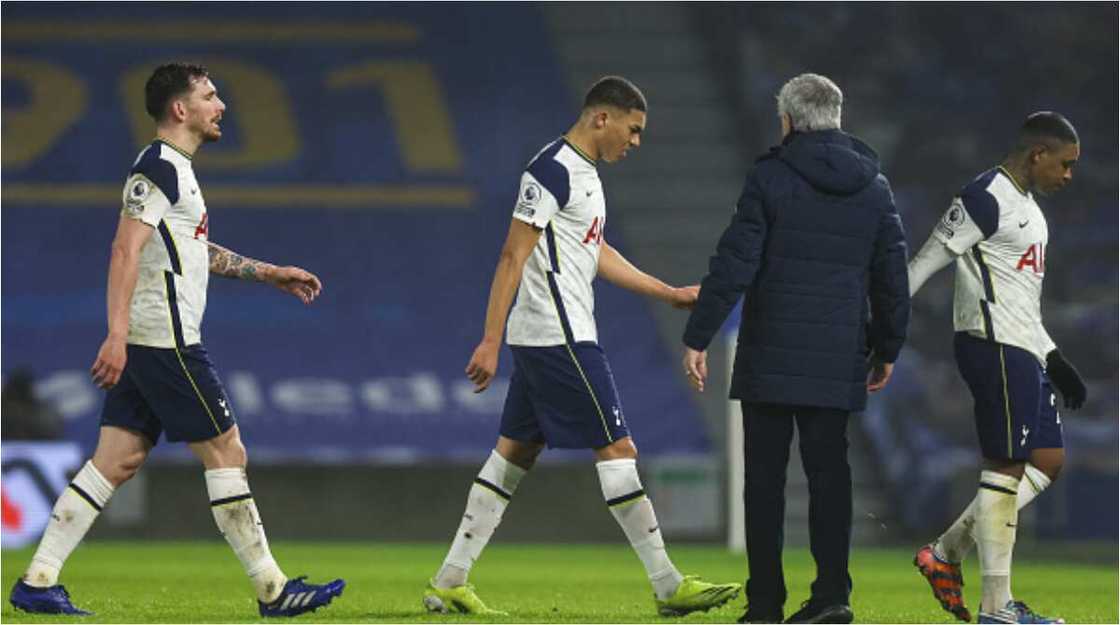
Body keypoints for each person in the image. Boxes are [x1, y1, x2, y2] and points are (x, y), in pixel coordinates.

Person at [8, 63, 345, 618]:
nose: (222, 106)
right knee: (227, 450)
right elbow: (124, 250)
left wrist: (269, 272)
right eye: (211, 96)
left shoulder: (178, 172)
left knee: (115, 460)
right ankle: (272, 588)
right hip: (164, 339)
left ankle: (38, 580)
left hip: (152, 337)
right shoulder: (158, 167)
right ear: (181, 110)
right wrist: (116, 334)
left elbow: (190, 250)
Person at [421, 75, 742, 618]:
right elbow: (511, 256)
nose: (635, 142)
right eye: (633, 130)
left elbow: (595, 251)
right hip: (559, 336)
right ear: (603, 118)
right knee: (619, 451)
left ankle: (449, 580)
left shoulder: (585, 175)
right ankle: (667, 585)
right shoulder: (550, 169)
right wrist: (490, 339)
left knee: (515, 452)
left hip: (551, 335)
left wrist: (666, 292)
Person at [681, 73, 910, 624]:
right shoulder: (874, 187)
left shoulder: (771, 177)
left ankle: (765, 606)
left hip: (770, 354)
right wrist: (887, 348)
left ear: (786, 121)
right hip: (837, 356)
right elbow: (891, 277)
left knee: (764, 484)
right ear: (837, 117)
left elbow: (735, 261)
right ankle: (832, 597)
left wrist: (699, 335)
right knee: (831, 478)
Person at [908, 112, 1085, 625]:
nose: (1070, 175)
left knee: (1046, 460)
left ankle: (944, 552)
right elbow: (923, 262)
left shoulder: (1031, 210)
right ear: (1037, 154)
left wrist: (1053, 354)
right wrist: (886, 329)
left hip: (1026, 346)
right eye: (1066, 164)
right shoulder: (985, 196)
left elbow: (1021, 299)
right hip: (992, 346)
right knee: (1005, 465)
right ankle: (997, 606)